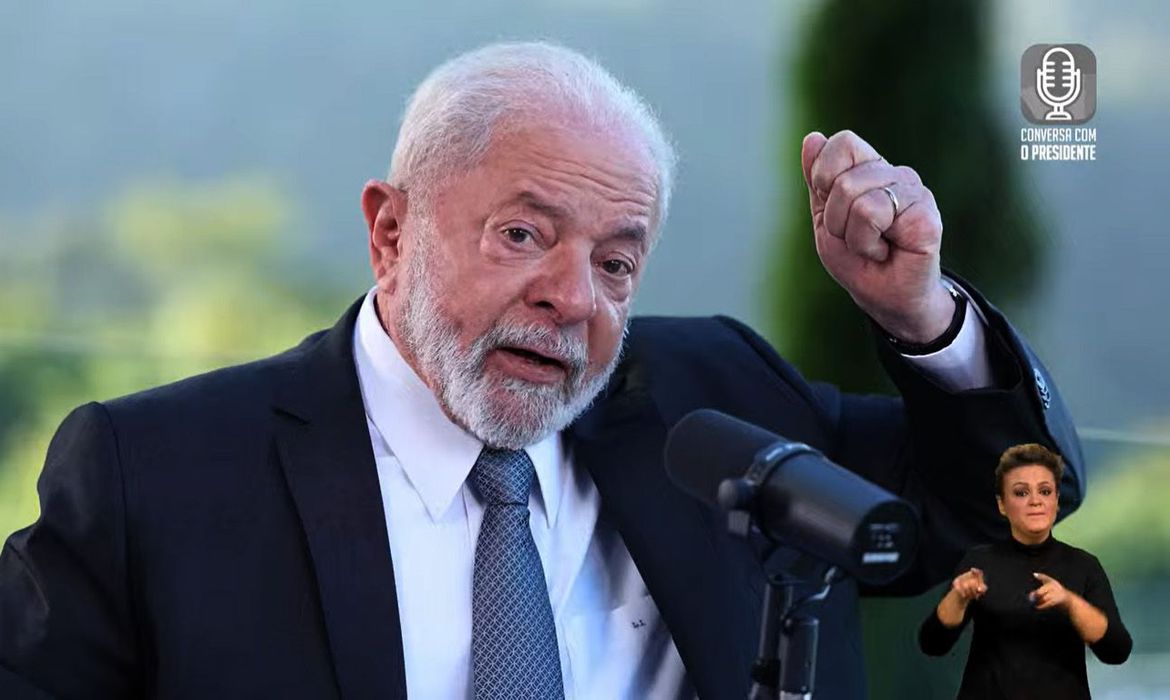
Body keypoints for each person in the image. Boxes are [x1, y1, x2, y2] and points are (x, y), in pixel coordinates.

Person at [0, 42, 1083, 700]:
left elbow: (1002, 502)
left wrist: (917, 312)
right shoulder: (158, 473)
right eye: (523, 235)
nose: (574, 297)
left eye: (617, 262)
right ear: (390, 232)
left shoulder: (717, 399)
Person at [919, 444, 1131, 699]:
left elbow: (1116, 651)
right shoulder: (978, 563)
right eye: (1021, 493)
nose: (1035, 501)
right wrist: (958, 596)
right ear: (1002, 504)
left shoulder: (1084, 565)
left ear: (1056, 500)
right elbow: (932, 644)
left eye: (1045, 491)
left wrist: (1069, 602)